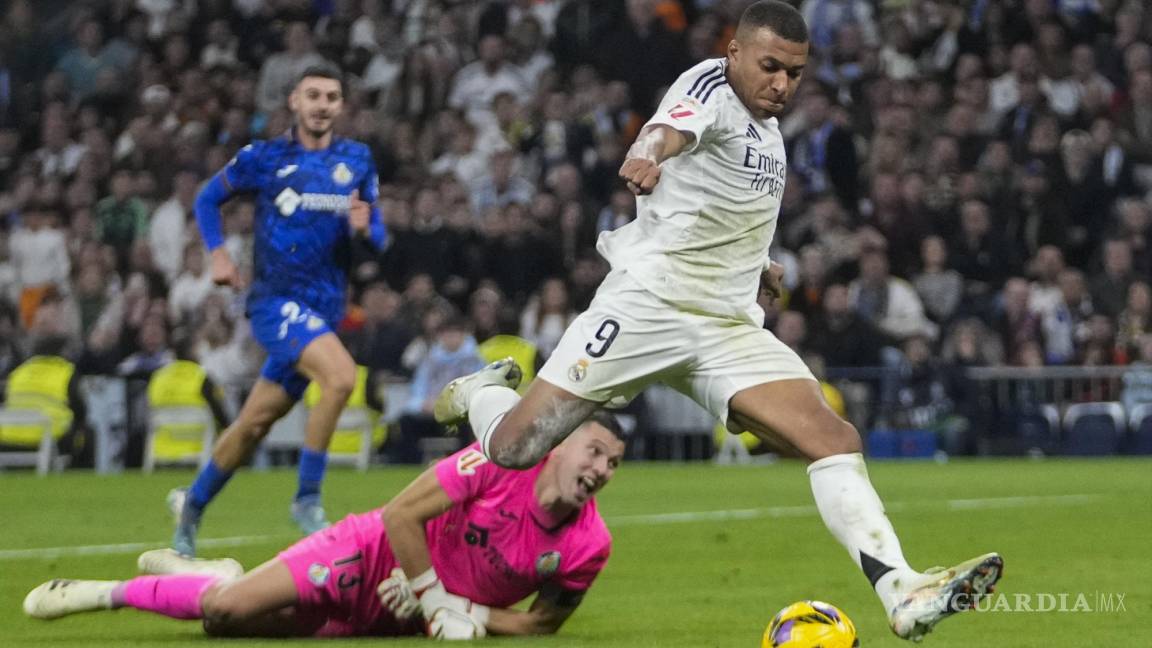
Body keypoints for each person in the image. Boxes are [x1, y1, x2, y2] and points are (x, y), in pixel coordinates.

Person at [432, 2, 1000, 642]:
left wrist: (763, 263)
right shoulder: (709, 85)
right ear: (733, 54)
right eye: (770, 67)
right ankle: (480, 392)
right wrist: (646, 153)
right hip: (649, 305)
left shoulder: (771, 134)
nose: (782, 84)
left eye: (795, 73)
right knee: (514, 449)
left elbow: (723, 207)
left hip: (726, 326)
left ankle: (902, 589)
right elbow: (668, 131)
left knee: (833, 438)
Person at [23, 412, 625, 640]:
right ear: (562, 443)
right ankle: (103, 594)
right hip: (367, 554)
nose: (600, 470)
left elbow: (541, 624)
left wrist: (462, 614)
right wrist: (434, 596)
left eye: (614, 464)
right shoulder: (497, 461)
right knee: (225, 611)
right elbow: (399, 515)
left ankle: (216, 571)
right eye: (594, 452)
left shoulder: (588, 544)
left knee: (227, 628)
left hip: (402, 613)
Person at [170, 65, 387, 556]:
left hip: (323, 311)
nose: (322, 104)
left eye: (332, 96)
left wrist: (364, 228)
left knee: (252, 425)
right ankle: (307, 499)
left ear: (341, 106)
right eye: (313, 94)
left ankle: (193, 506)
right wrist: (219, 255)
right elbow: (208, 199)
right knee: (341, 379)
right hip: (274, 304)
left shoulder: (357, 160)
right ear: (294, 101)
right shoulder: (264, 157)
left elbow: (377, 239)